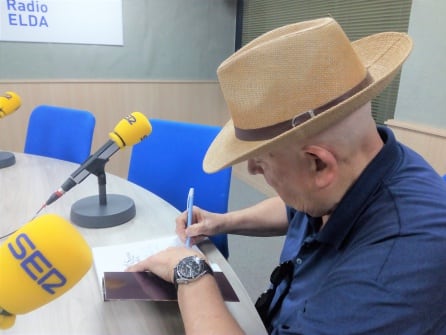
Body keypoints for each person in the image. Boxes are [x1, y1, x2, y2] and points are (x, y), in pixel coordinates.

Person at [127, 17, 446, 334]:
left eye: (260, 161)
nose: (251, 169)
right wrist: (223, 222)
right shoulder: (356, 165)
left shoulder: (393, 268)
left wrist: (190, 271)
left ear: (319, 164)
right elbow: (292, 207)